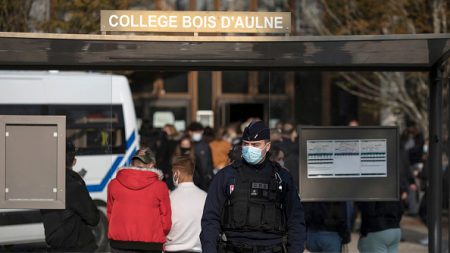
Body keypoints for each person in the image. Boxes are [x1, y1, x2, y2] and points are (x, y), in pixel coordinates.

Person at [201, 120, 306, 253]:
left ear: (267, 146)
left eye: (256, 144)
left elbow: (295, 219)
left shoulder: (281, 177)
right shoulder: (227, 176)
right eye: (246, 144)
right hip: (234, 247)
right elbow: (211, 218)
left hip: (272, 248)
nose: (250, 148)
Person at [107, 147, 171, 253]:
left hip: (119, 243)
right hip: (150, 244)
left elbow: (110, 213)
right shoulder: (160, 187)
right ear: (151, 165)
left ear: (132, 163)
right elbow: (166, 220)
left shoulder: (114, 184)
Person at [40, 141, 100, 252]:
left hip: (55, 247)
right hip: (79, 247)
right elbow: (93, 218)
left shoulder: (44, 184)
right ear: (74, 161)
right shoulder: (74, 186)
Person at [165, 156, 207, 253]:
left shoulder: (170, 198)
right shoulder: (205, 197)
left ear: (177, 173)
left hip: (172, 248)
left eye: (172, 172)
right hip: (198, 249)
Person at [187, 122, 214, 191]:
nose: (198, 134)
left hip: (202, 181)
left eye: (200, 131)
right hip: (190, 179)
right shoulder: (186, 143)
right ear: (190, 132)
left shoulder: (203, 145)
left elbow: (205, 164)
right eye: (196, 132)